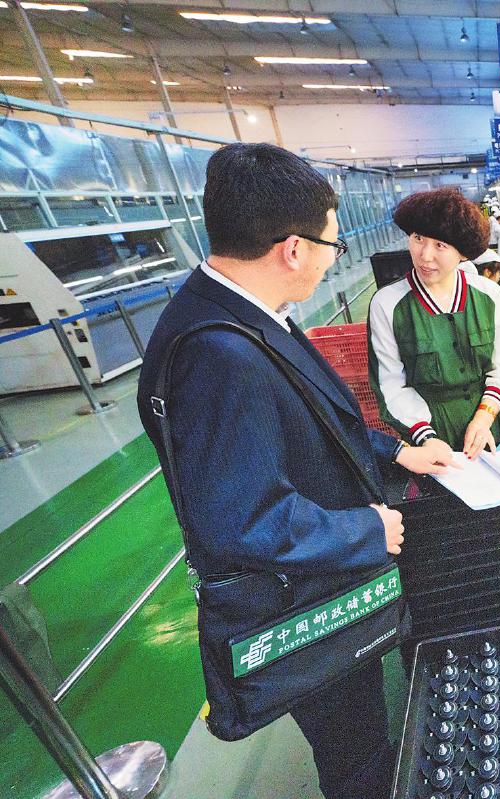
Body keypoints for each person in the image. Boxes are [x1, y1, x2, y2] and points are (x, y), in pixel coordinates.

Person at [136, 143, 452, 799]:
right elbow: (239, 520)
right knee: (356, 754)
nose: (333, 258)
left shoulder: (240, 317)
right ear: (293, 249)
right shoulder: (218, 356)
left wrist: (396, 452)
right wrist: (366, 530)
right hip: (308, 598)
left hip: (322, 578)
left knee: (362, 738)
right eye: (331, 244)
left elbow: (309, 423)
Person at [369, 188, 500, 459]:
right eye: (418, 238)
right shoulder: (387, 304)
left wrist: (484, 418)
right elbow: (390, 386)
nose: (425, 255)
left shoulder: (488, 294)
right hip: (432, 437)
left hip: (492, 425)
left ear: (463, 254)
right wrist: (426, 438)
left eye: (440, 245)